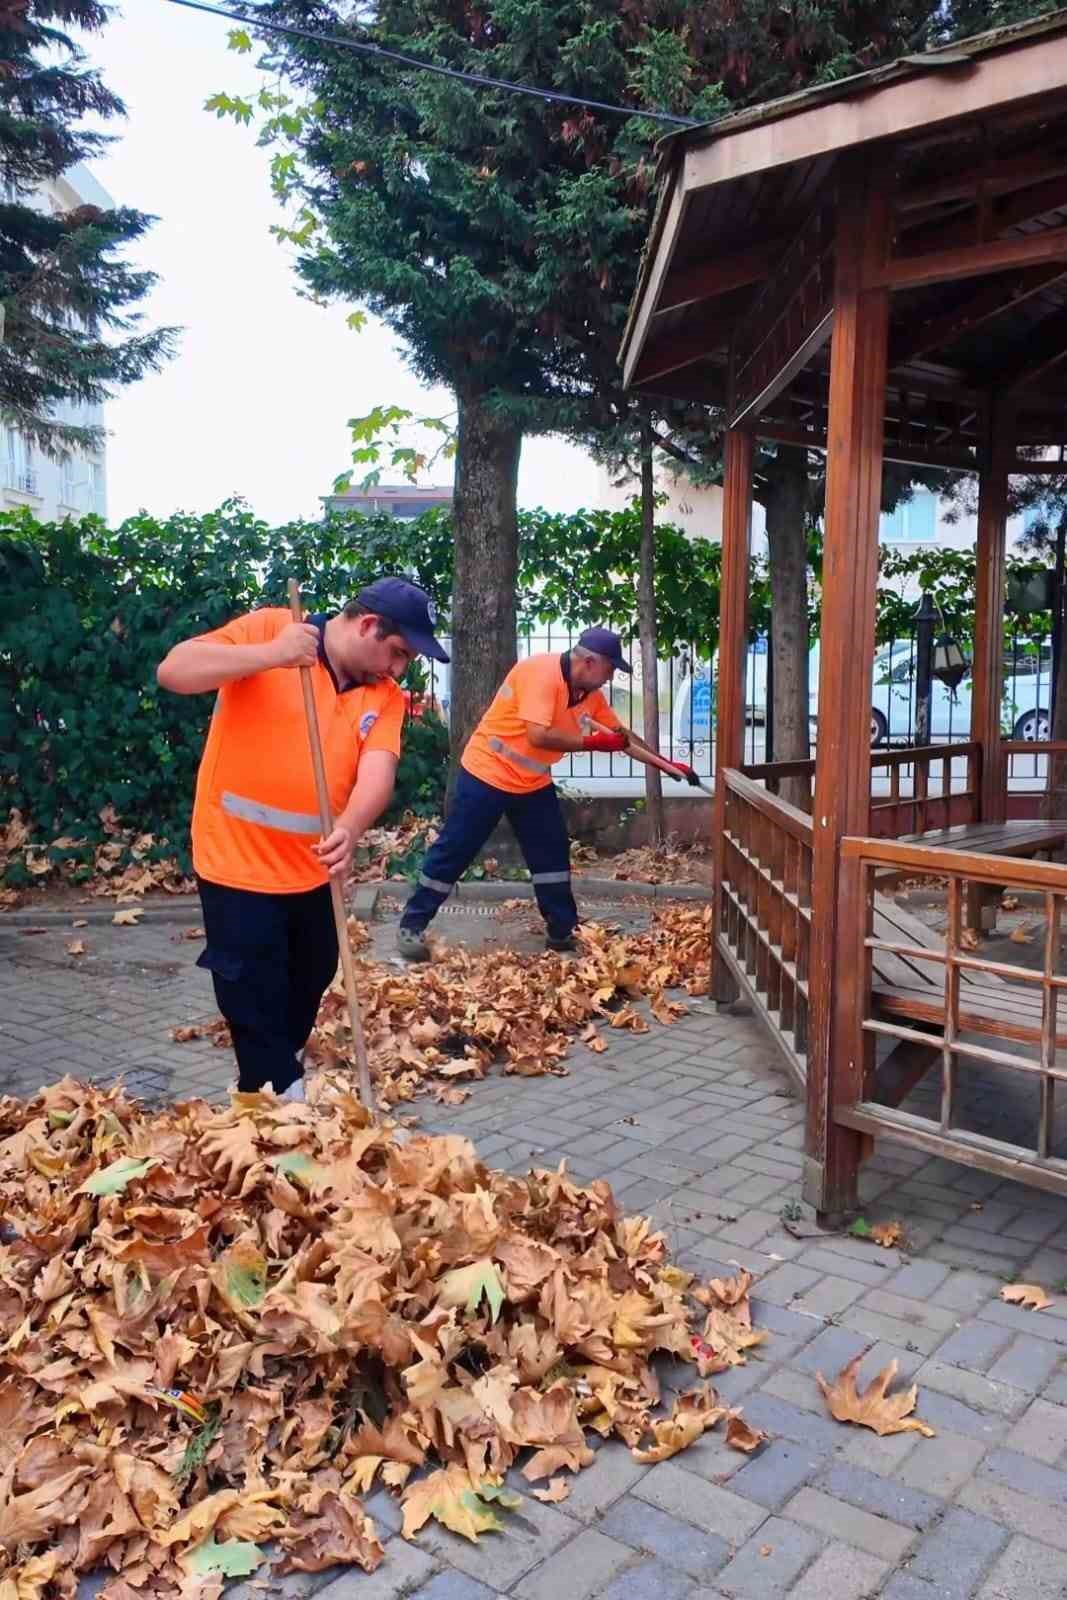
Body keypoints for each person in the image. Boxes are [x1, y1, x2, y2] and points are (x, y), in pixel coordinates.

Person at [157, 578, 448, 1099]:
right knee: (252, 994)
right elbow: (175, 671)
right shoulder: (274, 628)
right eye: (398, 652)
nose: (400, 669)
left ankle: (270, 1084)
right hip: (236, 863)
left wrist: (351, 827)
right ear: (367, 626)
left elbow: (377, 773)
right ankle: (278, 1106)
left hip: (313, 868)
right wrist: (270, 654)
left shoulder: (382, 696)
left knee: (311, 976)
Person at [397, 627, 698, 960]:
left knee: (551, 855)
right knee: (455, 849)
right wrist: (592, 743)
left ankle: (561, 932)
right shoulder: (540, 673)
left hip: (531, 782)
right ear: (588, 661)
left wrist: (666, 764)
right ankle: (412, 924)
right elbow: (538, 736)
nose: (610, 678)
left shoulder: (589, 697)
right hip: (487, 772)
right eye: (609, 669)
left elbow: (621, 737)